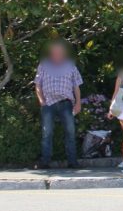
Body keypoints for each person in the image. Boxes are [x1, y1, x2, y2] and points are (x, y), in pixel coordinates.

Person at [35, 40, 83, 169]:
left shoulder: (70, 66)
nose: (56, 54)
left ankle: (72, 162)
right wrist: (41, 100)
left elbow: (76, 86)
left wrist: (78, 103)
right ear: (51, 53)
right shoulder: (43, 65)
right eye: (54, 52)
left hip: (66, 103)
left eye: (59, 52)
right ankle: (45, 162)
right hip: (48, 103)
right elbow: (38, 84)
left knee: (70, 132)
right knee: (47, 133)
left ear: (63, 53)